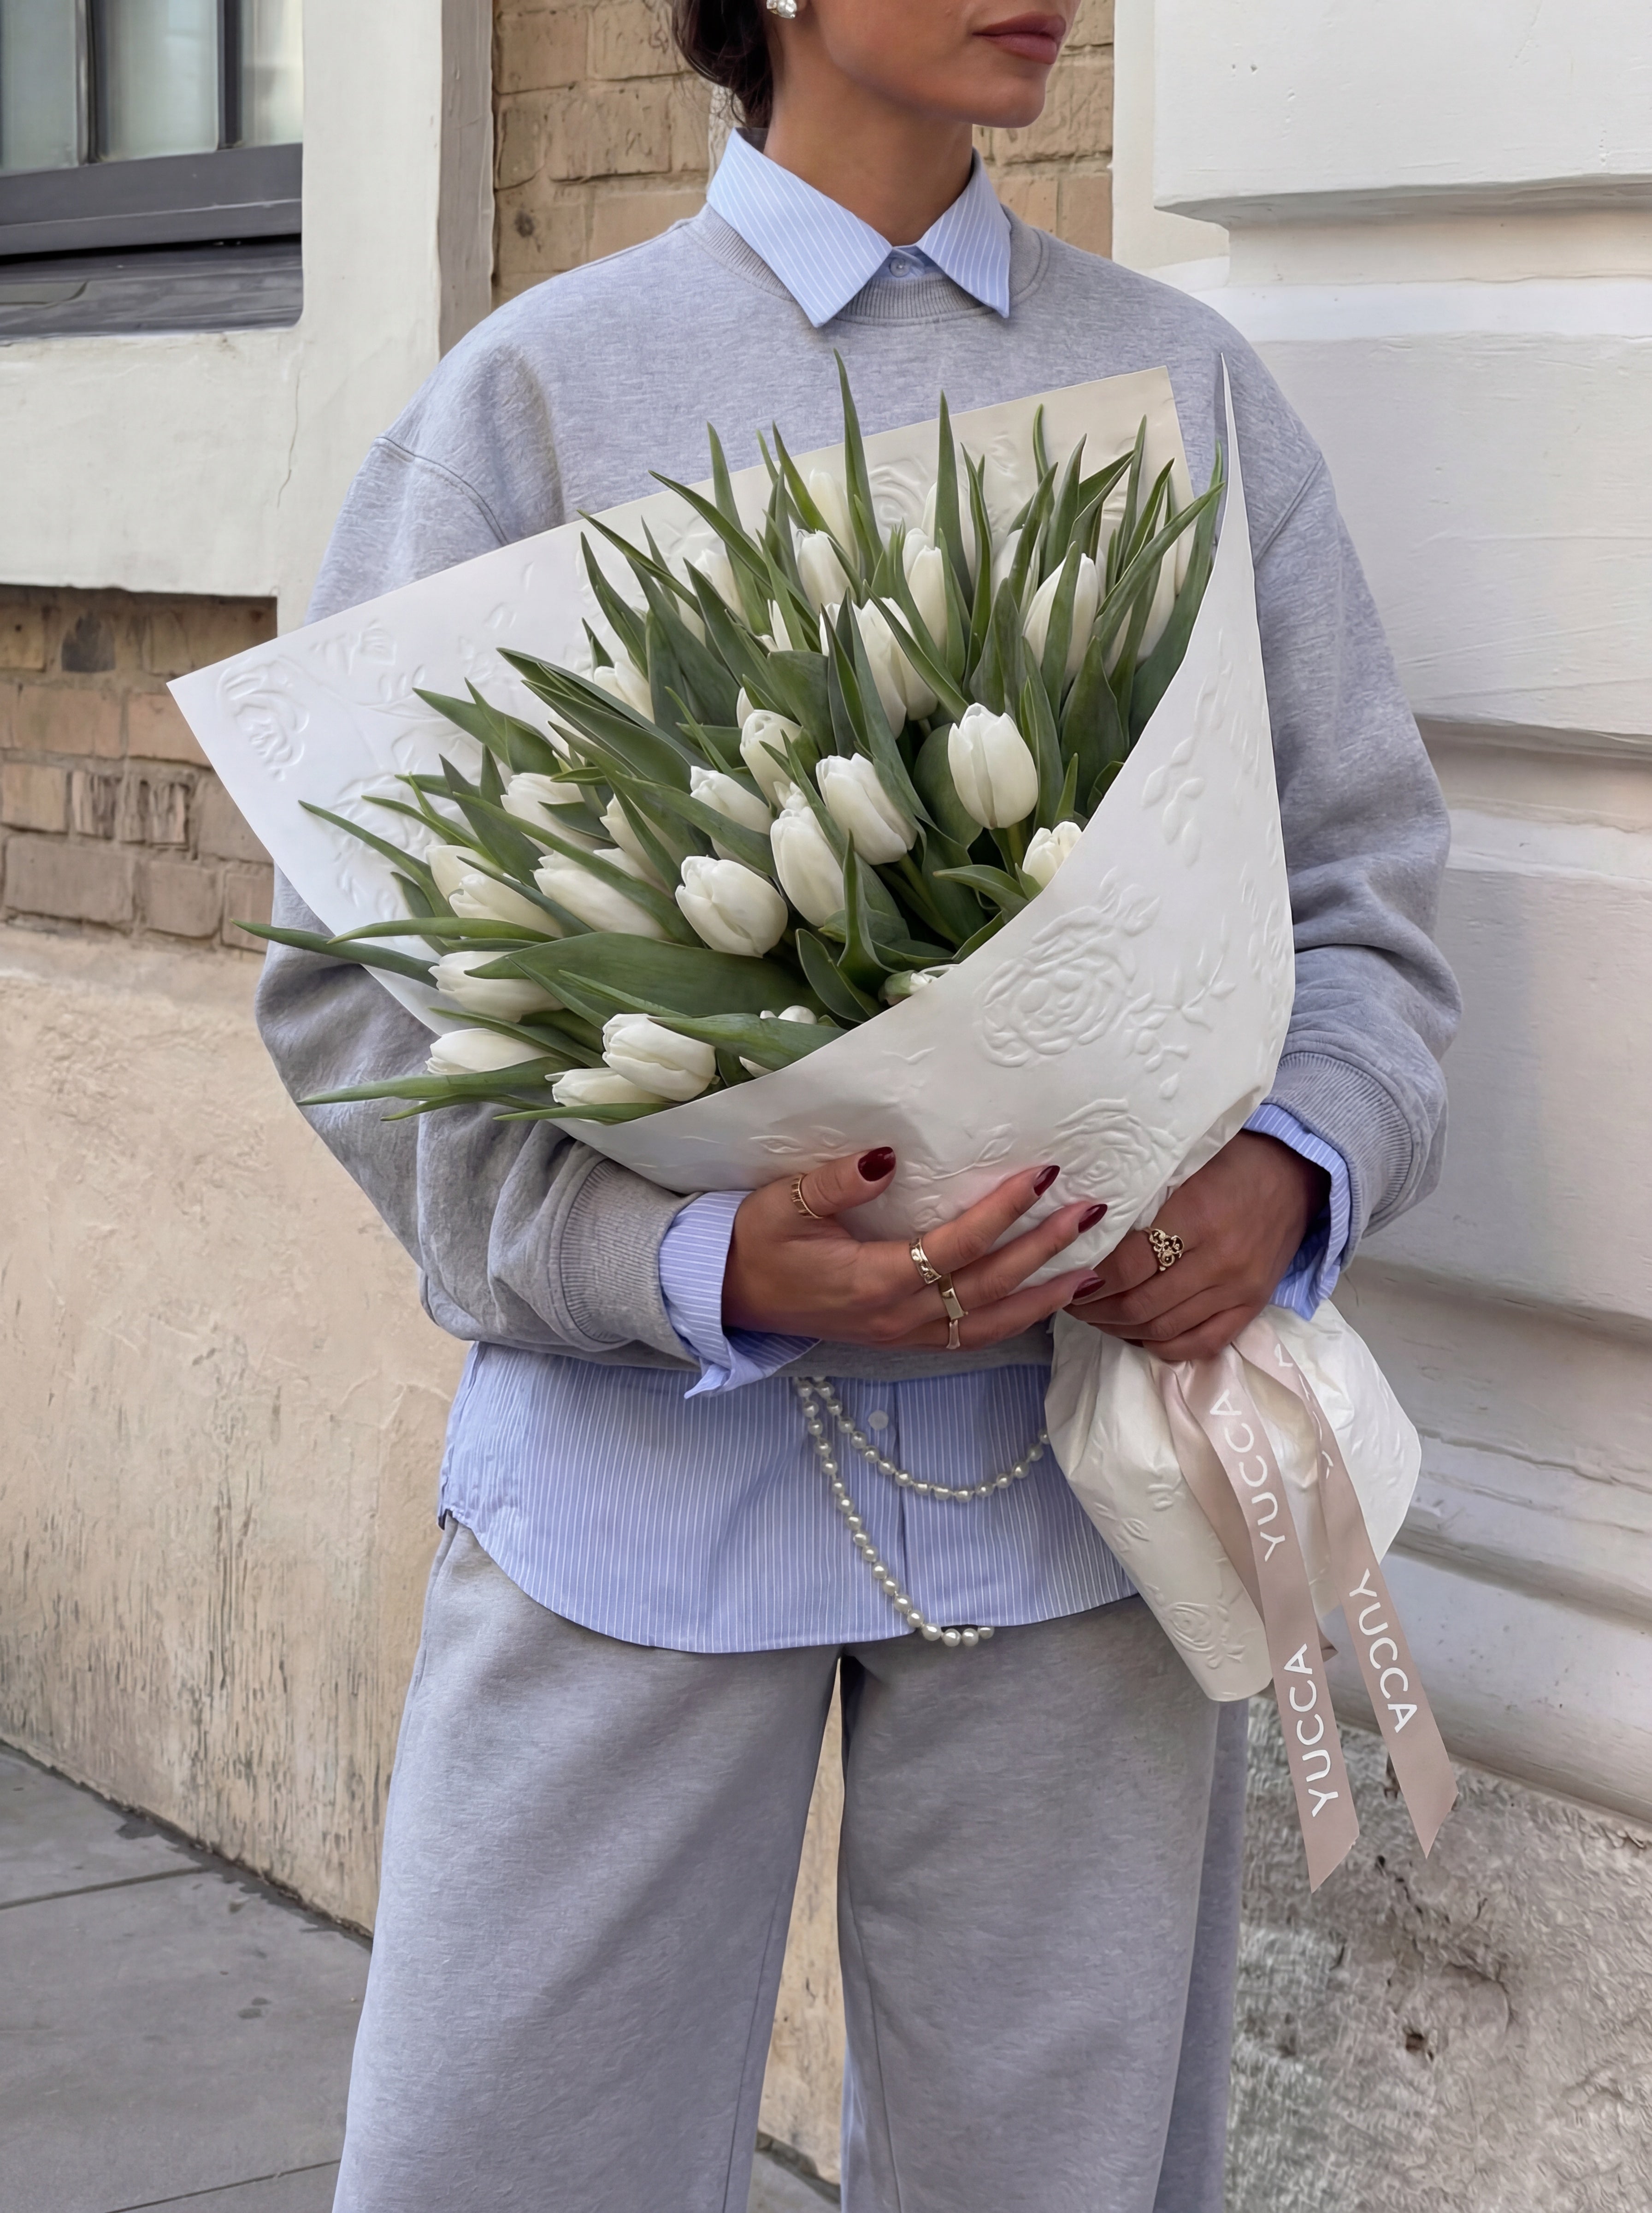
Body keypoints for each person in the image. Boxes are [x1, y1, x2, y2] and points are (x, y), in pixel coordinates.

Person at [257, 3, 1459, 2206]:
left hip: (1088, 1498)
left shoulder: (1182, 394)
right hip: (635, 1482)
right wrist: (689, 1256)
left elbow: (1365, 900)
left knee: (1060, 2177)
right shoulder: (535, 400)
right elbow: (352, 986)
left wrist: (1288, 1179)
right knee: (504, 2159)